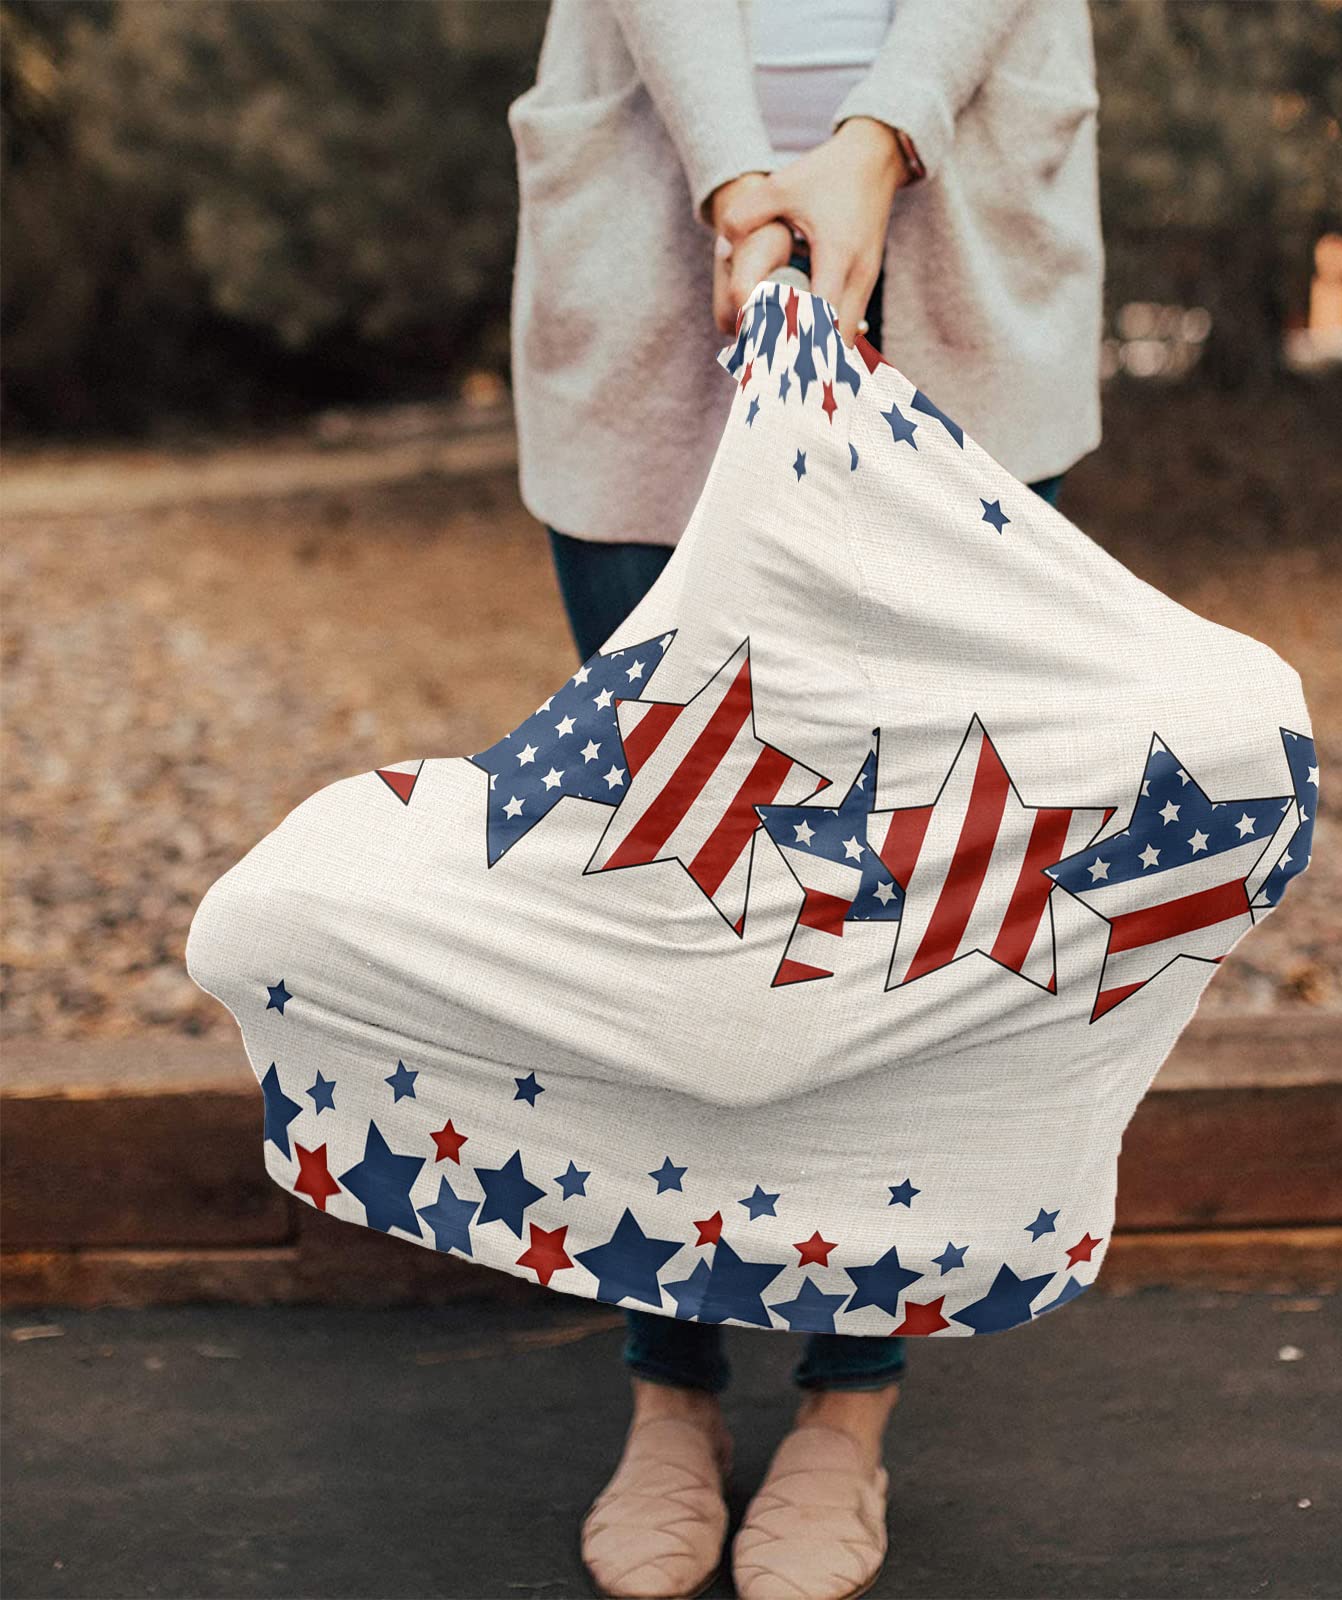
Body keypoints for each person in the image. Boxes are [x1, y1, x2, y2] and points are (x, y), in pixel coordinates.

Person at [505, 3, 1104, 1595]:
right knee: (673, 875)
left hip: (958, 218)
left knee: (906, 874)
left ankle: (850, 1405)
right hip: (656, 220)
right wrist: (733, 180)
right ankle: (671, 1387)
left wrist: (876, 138)